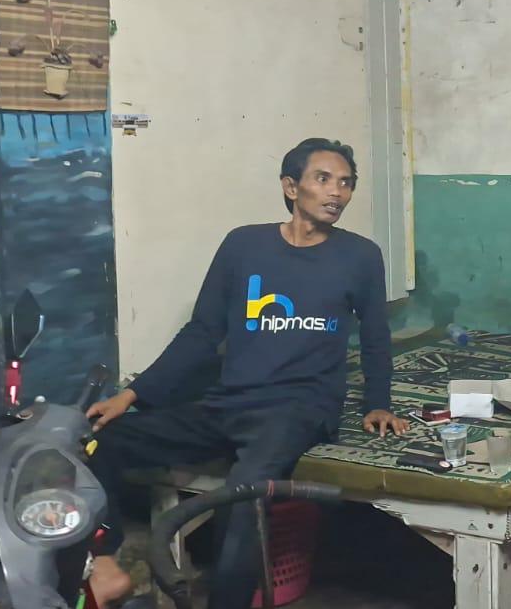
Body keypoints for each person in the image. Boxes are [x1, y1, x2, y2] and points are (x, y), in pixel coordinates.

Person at [83, 138, 407, 607]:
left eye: (346, 183)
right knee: (100, 442)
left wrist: (379, 403)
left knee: (244, 494)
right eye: (323, 179)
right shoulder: (243, 245)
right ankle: (104, 564)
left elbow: (376, 336)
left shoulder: (360, 256)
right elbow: (202, 332)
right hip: (228, 402)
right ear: (291, 187)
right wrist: (131, 396)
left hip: (298, 408)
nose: (337, 192)